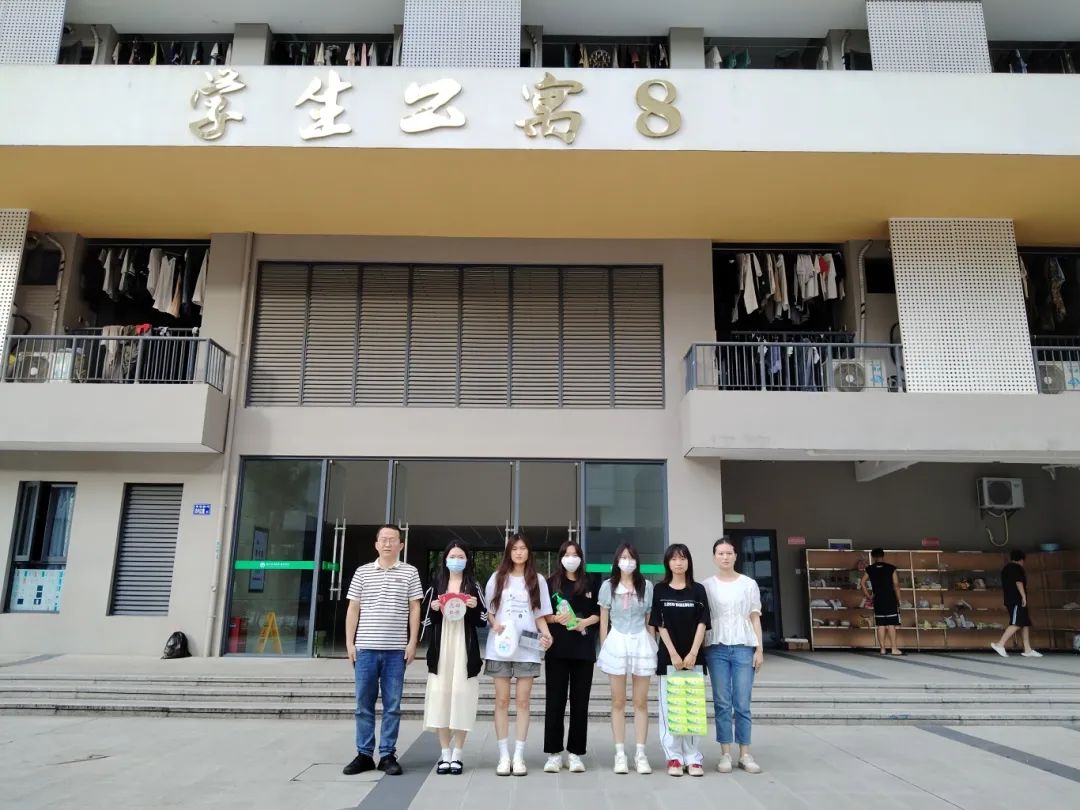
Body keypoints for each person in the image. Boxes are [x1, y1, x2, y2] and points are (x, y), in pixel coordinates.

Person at [343, 525, 423, 777]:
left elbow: (415, 608)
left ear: (401, 545)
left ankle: (387, 755)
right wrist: (350, 643)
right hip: (365, 649)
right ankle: (364, 754)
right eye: (384, 539)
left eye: (393, 539)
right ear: (376, 544)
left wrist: (412, 642)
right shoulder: (362, 572)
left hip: (395, 651)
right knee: (363, 704)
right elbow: (353, 608)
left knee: (392, 705)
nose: (388, 544)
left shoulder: (410, 572)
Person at [484, 533, 554, 776]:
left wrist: (547, 635)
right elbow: (489, 610)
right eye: (514, 549)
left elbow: (540, 613)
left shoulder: (538, 580)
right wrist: (494, 624)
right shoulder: (497, 577)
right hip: (500, 646)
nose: (519, 552)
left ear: (528, 552)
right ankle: (504, 756)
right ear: (509, 552)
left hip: (527, 645)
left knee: (523, 701)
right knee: (502, 701)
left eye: (523, 548)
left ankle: (519, 756)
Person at [419, 541, 488, 775]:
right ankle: (445, 753)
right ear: (445, 559)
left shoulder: (473, 586)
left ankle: (458, 753)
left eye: (460, 556)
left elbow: (483, 620)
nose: (456, 560)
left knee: (462, 695)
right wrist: (434, 609)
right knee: (440, 696)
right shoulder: (436, 585)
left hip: (464, 649)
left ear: (467, 560)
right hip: (441, 649)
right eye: (452, 556)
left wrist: (475, 607)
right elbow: (425, 620)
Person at [702, 537, 764, 775]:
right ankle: (725, 753)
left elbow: (755, 617)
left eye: (729, 553)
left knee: (742, 702)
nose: (725, 557)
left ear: (736, 556)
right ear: (714, 557)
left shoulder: (748, 584)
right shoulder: (707, 586)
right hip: (716, 647)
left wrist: (759, 649)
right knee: (721, 702)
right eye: (720, 553)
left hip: (743, 646)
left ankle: (745, 754)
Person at [650, 544, 710, 778]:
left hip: (694, 657)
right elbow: (659, 624)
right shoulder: (660, 590)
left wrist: (693, 652)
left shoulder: (698, 590)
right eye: (674, 559)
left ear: (688, 562)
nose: (678, 562)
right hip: (669, 658)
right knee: (671, 708)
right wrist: (673, 654)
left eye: (683, 558)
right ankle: (673, 756)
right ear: (668, 563)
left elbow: (702, 623)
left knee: (693, 707)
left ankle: (693, 757)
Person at [597, 543, 657, 775]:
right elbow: (604, 620)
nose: (627, 561)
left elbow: (650, 620)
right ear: (617, 560)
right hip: (617, 641)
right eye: (623, 557)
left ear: (637, 561)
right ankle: (620, 753)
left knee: (640, 702)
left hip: (641, 641)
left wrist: (653, 646)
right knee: (618, 701)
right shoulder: (608, 586)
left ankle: (640, 753)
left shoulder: (647, 586)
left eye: (631, 557)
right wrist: (605, 647)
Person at [543, 539, 601, 774]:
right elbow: (542, 614)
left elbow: (599, 614)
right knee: (555, 701)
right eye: (567, 554)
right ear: (560, 558)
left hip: (583, 650)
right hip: (557, 649)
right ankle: (554, 753)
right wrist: (557, 619)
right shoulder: (550, 583)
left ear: (581, 558)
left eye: (575, 554)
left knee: (580, 703)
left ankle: (575, 753)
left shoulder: (591, 582)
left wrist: (583, 622)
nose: (571, 558)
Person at [992, 549, 1043, 658]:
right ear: (1021, 560)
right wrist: (1023, 596)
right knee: (1017, 623)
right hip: (1016, 600)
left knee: (1025, 622)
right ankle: (1000, 644)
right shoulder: (1016, 568)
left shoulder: (1006, 568)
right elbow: (1018, 582)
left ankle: (1027, 649)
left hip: (1011, 600)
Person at [860, 549, 903, 656]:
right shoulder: (891, 568)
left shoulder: (870, 569)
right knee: (891, 624)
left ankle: (882, 649)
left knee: (881, 625)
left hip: (878, 599)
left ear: (873, 557)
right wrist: (899, 599)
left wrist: (868, 596)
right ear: (883, 556)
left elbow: (862, 583)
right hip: (890, 599)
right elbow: (896, 585)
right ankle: (894, 649)